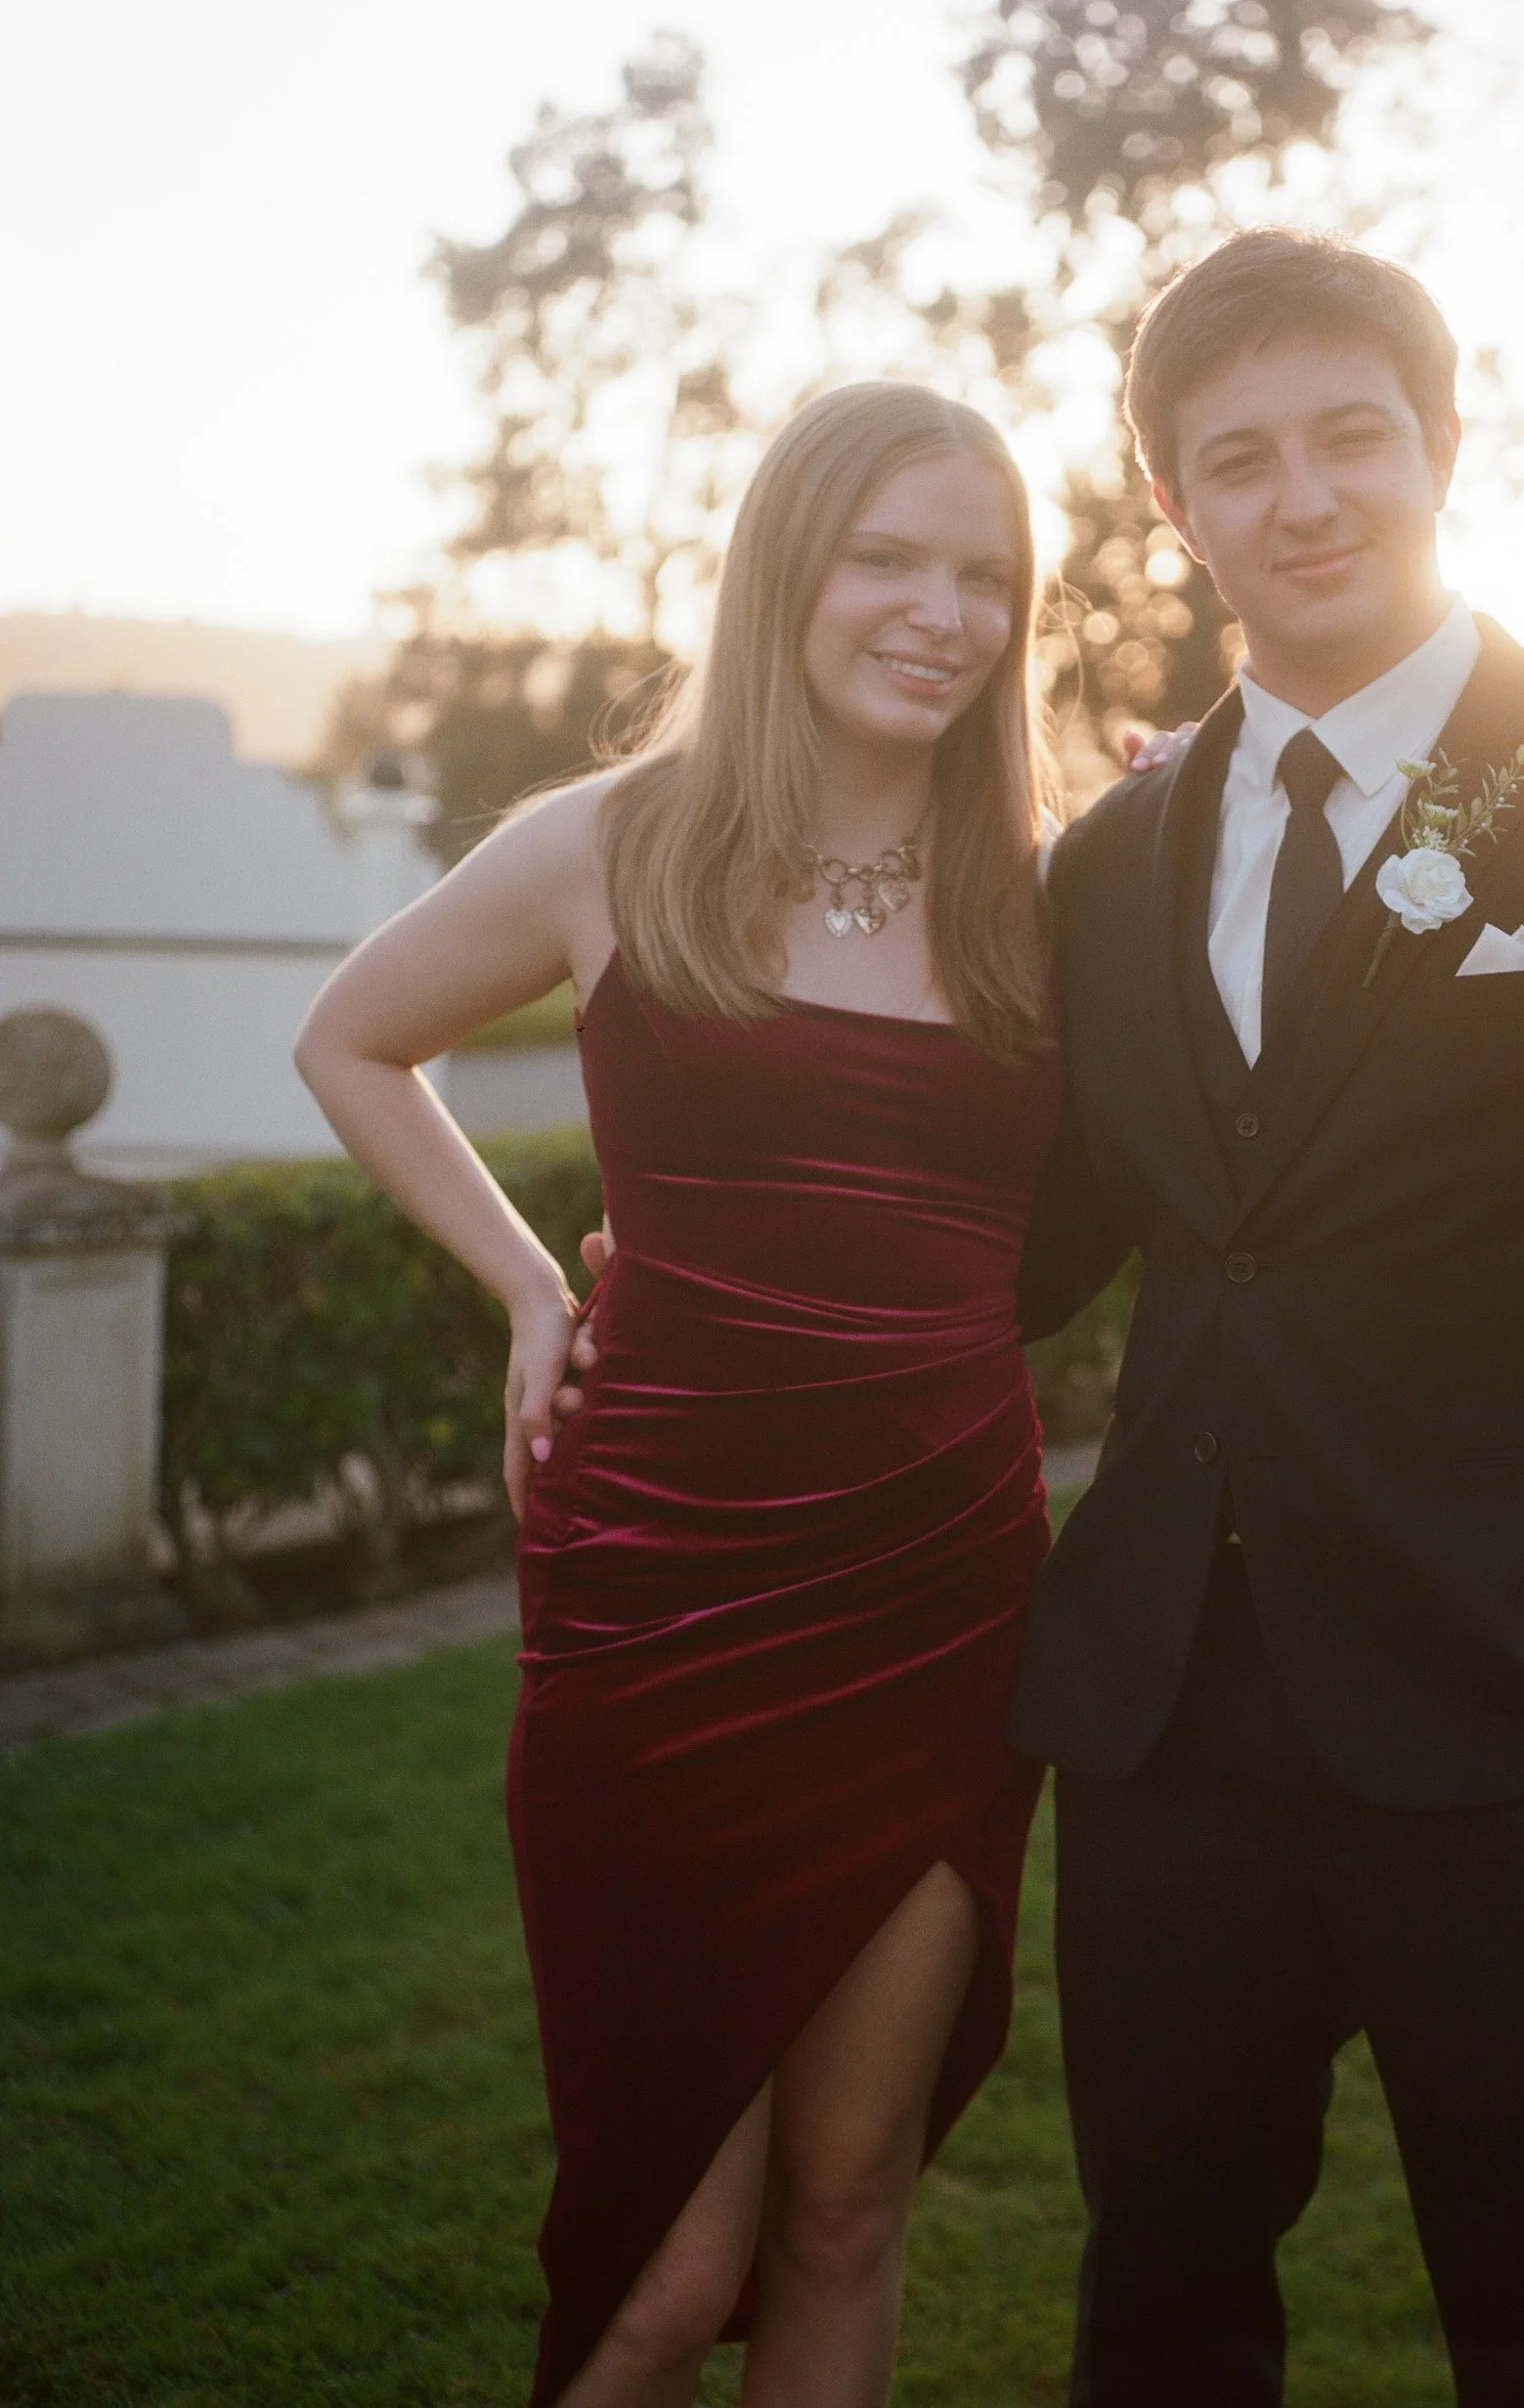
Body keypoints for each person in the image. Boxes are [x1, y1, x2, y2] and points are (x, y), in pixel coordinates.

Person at [1014, 229, 1524, 2404]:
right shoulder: (1110, 861)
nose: (1302, 496)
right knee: (1162, 2299)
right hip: (1168, 1728)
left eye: (1348, 438)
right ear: (1174, 507)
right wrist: (732, 1270)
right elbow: (1042, 1234)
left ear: (1441, 448)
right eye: (1237, 459)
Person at [294, 382, 1061, 2408]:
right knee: (660, 2261)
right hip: (659, 1590)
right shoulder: (609, 842)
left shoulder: (1049, 897)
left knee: (842, 2198)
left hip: (936, 1595)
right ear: (784, 565)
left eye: (982, 575)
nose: (937, 612)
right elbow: (354, 1040)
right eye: (887, 556)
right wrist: (531, 1286)